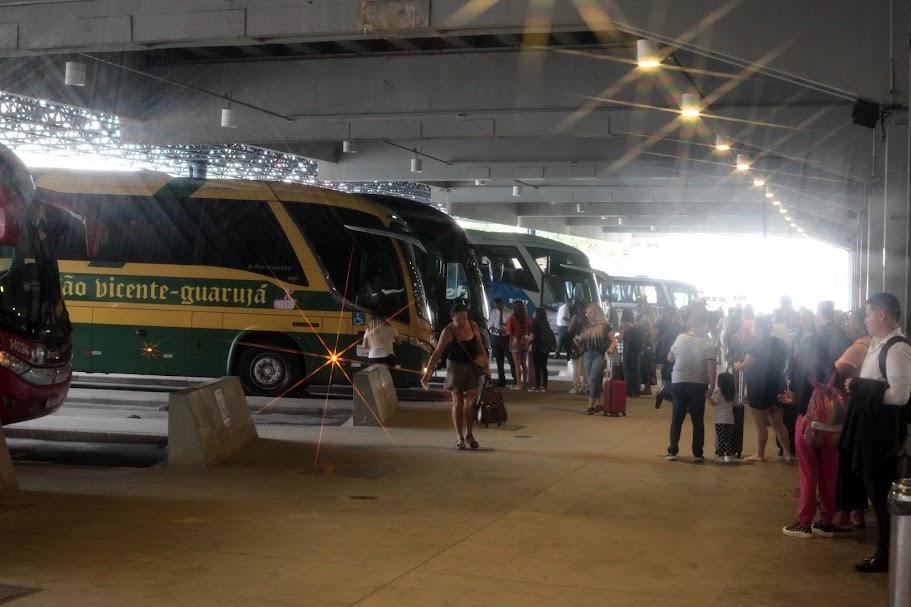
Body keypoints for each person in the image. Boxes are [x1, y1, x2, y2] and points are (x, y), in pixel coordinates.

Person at [841, 293, 911, 573]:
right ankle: (887, 550)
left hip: (883, 435)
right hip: (870, 429)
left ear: (882, 315)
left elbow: (902, 395)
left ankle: (888, 554)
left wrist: (860, 387)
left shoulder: (897, 348)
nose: (864, 319)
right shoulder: (877, 344)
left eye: (868, 314)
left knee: (883, 495)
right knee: (875, 491)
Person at [780, 301, 851, 540]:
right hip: (833, 426)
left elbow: (797, 394)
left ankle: (804, 522)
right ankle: (827, 521)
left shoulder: (803, 371)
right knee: (830, 471)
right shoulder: (834, 370)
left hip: (808, 423)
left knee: (809, 472)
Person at [421, 302, 488, 451]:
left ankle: (469, 434)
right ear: (452, 319)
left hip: (472, 367)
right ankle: (459, 437)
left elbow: (480, 347)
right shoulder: (448, 331)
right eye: (458, 320)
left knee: (471, 403)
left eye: (464, 318)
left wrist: (486, 366)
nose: (462, 322)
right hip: (455, 368)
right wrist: (428, 373)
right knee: (458, 403)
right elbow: (437, 353)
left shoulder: (473, 325)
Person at [833, 308, 870, 531]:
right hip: (865, 408)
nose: (847, 324)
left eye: (851, 320)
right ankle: (856, 510)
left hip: (852, 408)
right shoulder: (874, 344)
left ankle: (846, 511)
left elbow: (836, 369)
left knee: (847, 459)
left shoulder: (859, 346)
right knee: (858, 460)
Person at [735, 315, 791, 462]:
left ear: (758, 328)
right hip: (778, 383)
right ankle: (787, 454)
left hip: (760, 386)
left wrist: (737, 365)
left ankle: (760, 454)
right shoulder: (780, 343)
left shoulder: (755, 345)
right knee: (778, 423)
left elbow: (747, 366)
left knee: (760, 425)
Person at [666, 308, 717, 462]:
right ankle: (697, 453)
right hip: (698, 384)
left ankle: (672, 451)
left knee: (677, 417)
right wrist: (711, 388)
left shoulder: (681, 338)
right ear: (705, 324)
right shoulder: (708, 343)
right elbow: (712, 369)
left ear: (690, 323)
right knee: (697, 419)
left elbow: (669, 358)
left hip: (679, 381)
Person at [576, 304, 617, 415]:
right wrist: (578, 341)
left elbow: (614, 340)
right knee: (594, 379)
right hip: (587, 354)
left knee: (593, 378)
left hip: (600, 354)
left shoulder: (605, 326)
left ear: (597, 312)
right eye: (587, 313)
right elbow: (582, 341)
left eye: (590, 313)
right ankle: (600, 402)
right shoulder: (586, 327)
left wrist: (609, 350)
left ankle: (591, 405)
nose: (588, 315)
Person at [487, 298, 514, 388]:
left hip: (506, 338)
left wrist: (505, 330)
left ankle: (515, 379)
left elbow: (510, 325)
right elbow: (490, 324)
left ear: (502, 303)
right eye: (496, 305)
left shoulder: (509, 312)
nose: (498, 306)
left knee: (511, 359)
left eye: (499, 304)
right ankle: (501, 380)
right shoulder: (494, 312)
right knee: (499, 361)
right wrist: (493, 329)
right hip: (496, 337)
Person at [506, 300, 531, 391]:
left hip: (515, 342)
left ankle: (519, 384)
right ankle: (525, 383)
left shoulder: (512, 318)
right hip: (524, 342)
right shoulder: (526, 317)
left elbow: (509, 331)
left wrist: (510, 343)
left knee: (517, 364)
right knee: (523, 363)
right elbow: (529, 329)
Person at [712, 371, 737, 462]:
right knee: (728, 439)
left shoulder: (718, 393)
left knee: (721, 439)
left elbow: (713, 403)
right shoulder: (733, 394)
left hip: (720, 421)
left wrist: (707, 396)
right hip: (730, 420)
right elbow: (736, 403)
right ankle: (729, 456)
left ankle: (720, 457)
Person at [567, 300, 590, 395]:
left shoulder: (575, 317)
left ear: (578, 308)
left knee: (576, 367)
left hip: (576, 343)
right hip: (587, 344)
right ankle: (584, 387)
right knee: (585, 367)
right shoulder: (588, 318)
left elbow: (569, 330)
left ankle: (576, 386)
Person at [620, 309, 644, 397]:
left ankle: (629, 391)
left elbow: (620, 338)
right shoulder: (636, 325)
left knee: (627, 370)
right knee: (636, 370)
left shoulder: (624, 325)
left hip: (628, 351)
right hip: (637, 351)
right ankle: (636, 390)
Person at [530, 307, 553, 392]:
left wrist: (527, 338)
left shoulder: (534, 323)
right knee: (544, 366)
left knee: (537, 367)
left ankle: (537, 386)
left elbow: (532, 337)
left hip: (536, 347)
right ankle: (545, 386)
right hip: (545, 348)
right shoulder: (546, 323)